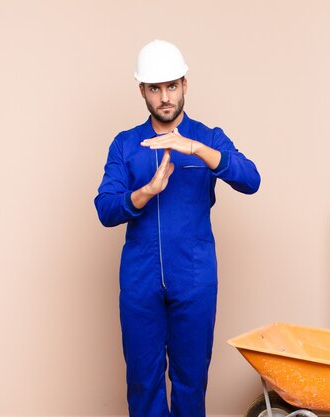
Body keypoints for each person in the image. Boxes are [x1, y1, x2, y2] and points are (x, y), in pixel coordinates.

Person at [94, 39, 260, 417]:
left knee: (191, 382)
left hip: (195, 275)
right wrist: (146, 192)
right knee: (143, 381)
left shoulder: (209, 137)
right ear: (143, 91)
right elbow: (105, 208)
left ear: (185, 84)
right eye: (155, 88)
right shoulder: (124, 145)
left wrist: (195, 148)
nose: (164, 97)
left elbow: (251, 179)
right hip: (140, 279)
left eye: (171, 86)